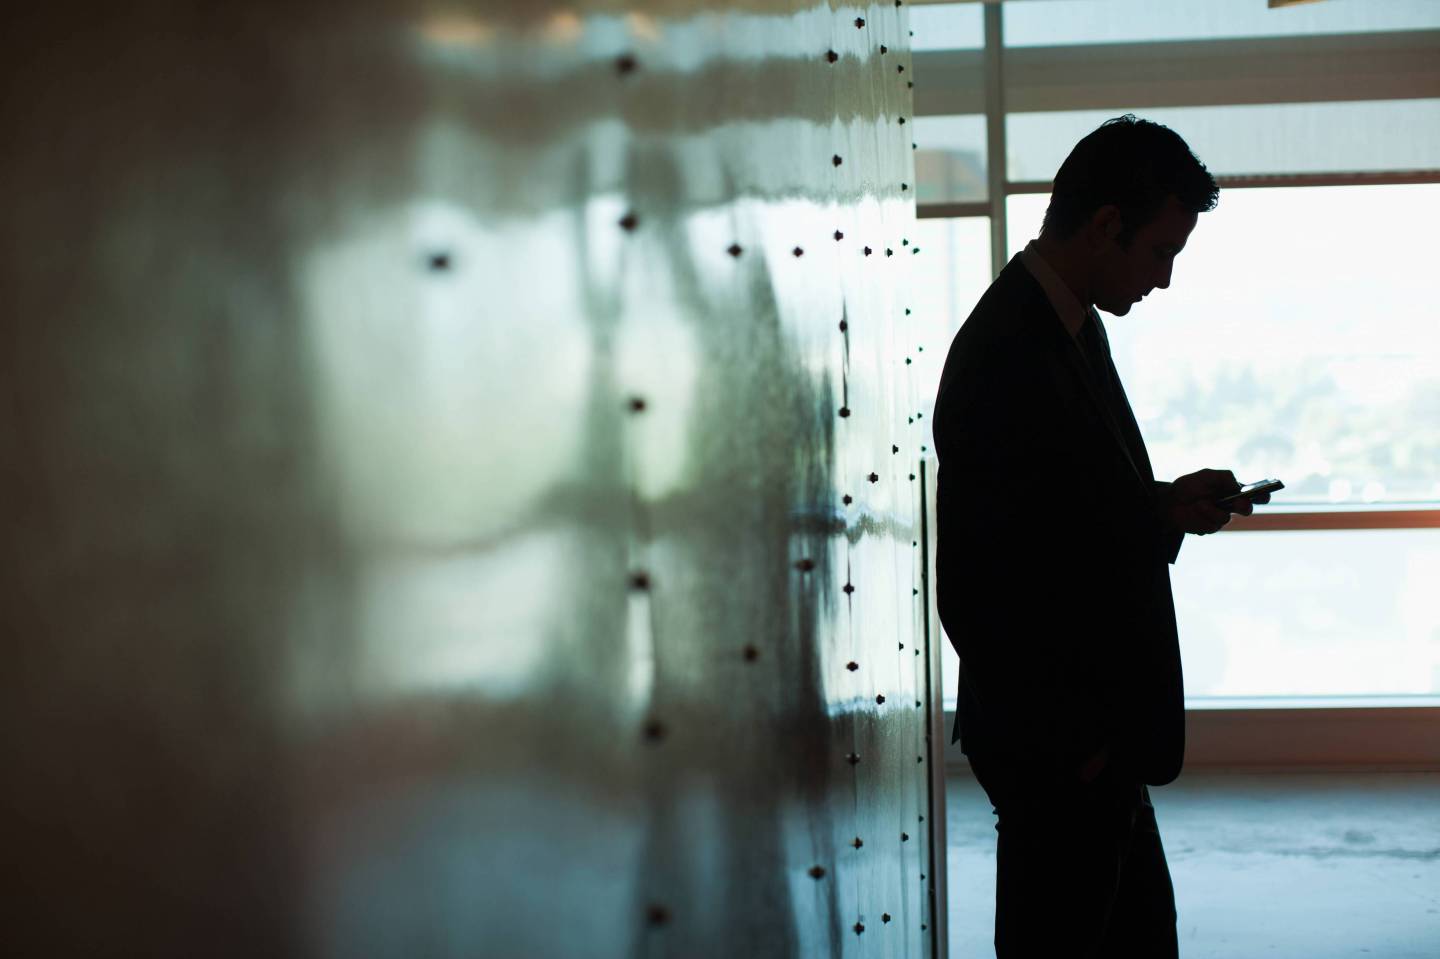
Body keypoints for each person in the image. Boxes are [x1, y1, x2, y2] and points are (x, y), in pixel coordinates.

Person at [931, 115, 1270, 957]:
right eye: (1161, 253)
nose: (1163, 281)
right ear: (1107, 225)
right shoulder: (1010, 350)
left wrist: (1160, 507)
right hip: (1063, 747)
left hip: (1089, 737)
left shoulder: (1068, 326)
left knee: (1133, 939)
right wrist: (1077, 746)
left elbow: (1059, 513)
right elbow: (979, 583)